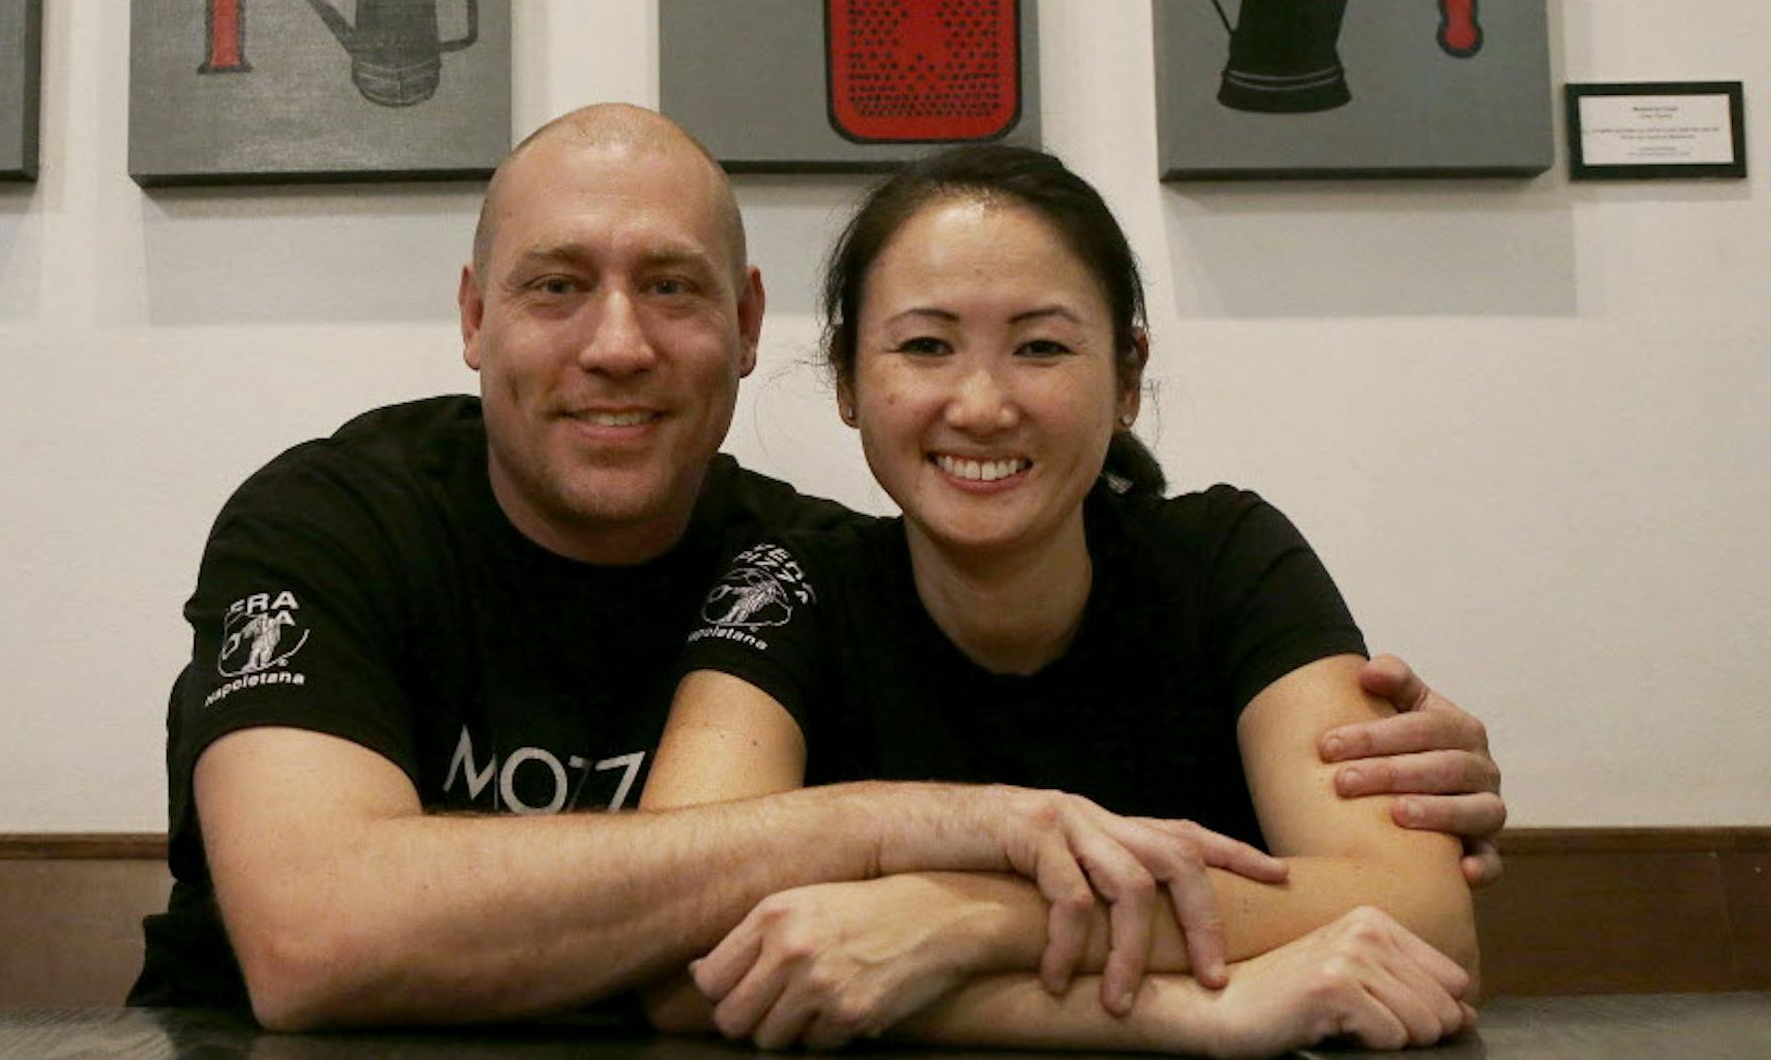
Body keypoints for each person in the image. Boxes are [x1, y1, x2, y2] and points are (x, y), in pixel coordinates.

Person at [129, 106, 1507, 1033]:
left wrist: (955, 917)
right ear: (475, 318)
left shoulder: (794, 558)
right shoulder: (328, 522)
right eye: (556, 287)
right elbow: (315, 938)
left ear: (746, 330)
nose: (617, 344)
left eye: (670, 287)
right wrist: (904, 830)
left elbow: (1409, 900)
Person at [639, 144, 1483, 1055]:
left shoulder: (1229, 558)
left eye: (1041, 346)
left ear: (1126, 376)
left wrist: (964, 920)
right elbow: (677, 955)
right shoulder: (788, 586)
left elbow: (1426, 918)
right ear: (848, 377)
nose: (983, 403)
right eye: (926, 345)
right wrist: (1197, 1011)